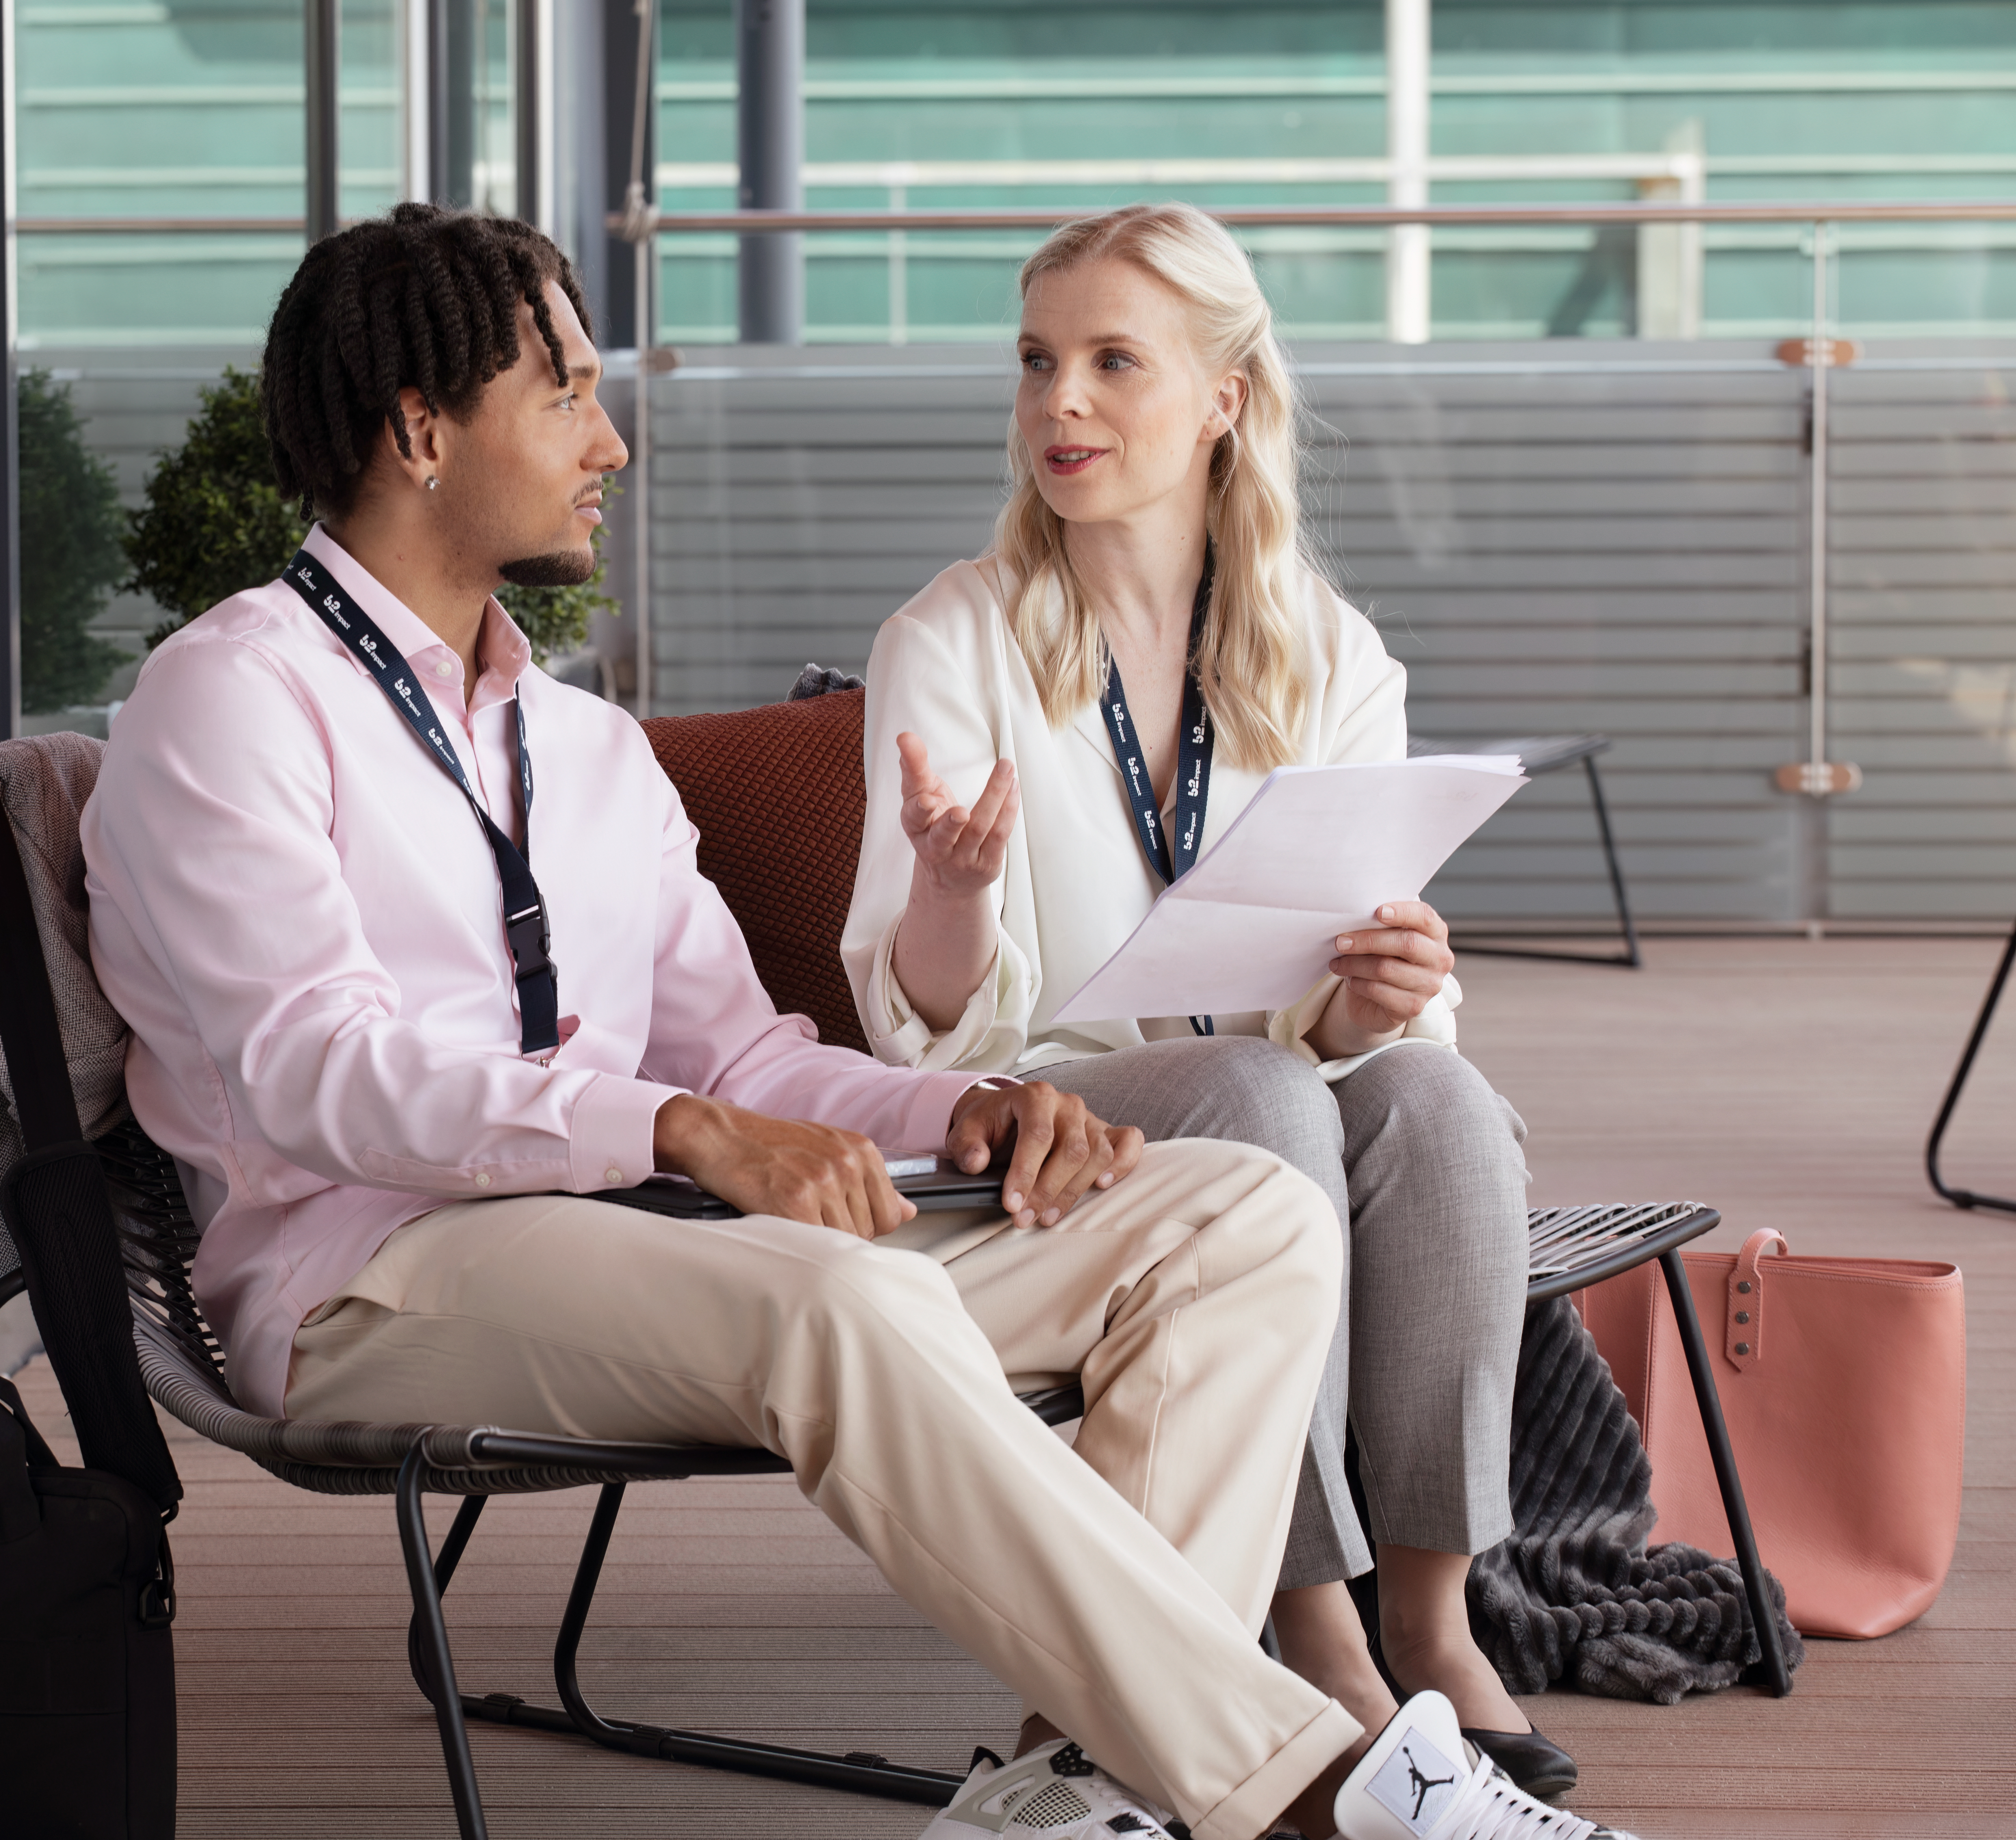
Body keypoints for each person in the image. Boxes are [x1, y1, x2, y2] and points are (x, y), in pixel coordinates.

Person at [85, 202, 1630, 1840]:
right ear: (420, 430)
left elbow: (747, 1056)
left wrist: (944, 1115)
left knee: (1239, 1214)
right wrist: (677, 1129)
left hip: (656, 1244)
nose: (610, 442)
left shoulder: (586, 747)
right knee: (844, 1300)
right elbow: (311, 1074)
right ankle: (1326, 1786)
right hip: (377, 1275)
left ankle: (1075, 1794)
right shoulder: (232, 696)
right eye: (568, 397)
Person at [843, 203, 1567, 1799]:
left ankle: (1437, 1623)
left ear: (1226, 395)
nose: (1060, 406)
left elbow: (1374, 1033)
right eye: (1038, 363)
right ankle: (1311, 1624)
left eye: (1112, 362)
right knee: (1257, 1105)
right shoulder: (952, 640)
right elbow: (931, 1036)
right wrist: (952, 897)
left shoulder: (1325, 648)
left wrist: (1384, 995)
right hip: (1044, 1125)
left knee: (1432, 1102)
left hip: (1276, 1081)